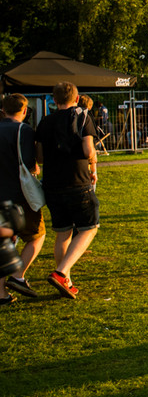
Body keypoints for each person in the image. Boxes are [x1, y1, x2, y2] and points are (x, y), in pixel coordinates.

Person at [35, 82, 99, 299]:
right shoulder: (83, 117)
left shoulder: (45, 121)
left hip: (52, 183)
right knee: (89, 228)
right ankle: (62, 273)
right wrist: (92, 160)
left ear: (53, 99)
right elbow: (88, 149)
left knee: (63, 232)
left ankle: (66, 281)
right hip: (77, 180)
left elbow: (40, 157)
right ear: (77, 97)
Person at [0, 94, 46, 303]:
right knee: (37, 235)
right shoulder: (24, 131)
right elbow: (30, 163)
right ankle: (18, 276)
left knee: (6, 242)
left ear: (3, 110)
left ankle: (1, 293)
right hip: (19, 193)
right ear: (25, 111)